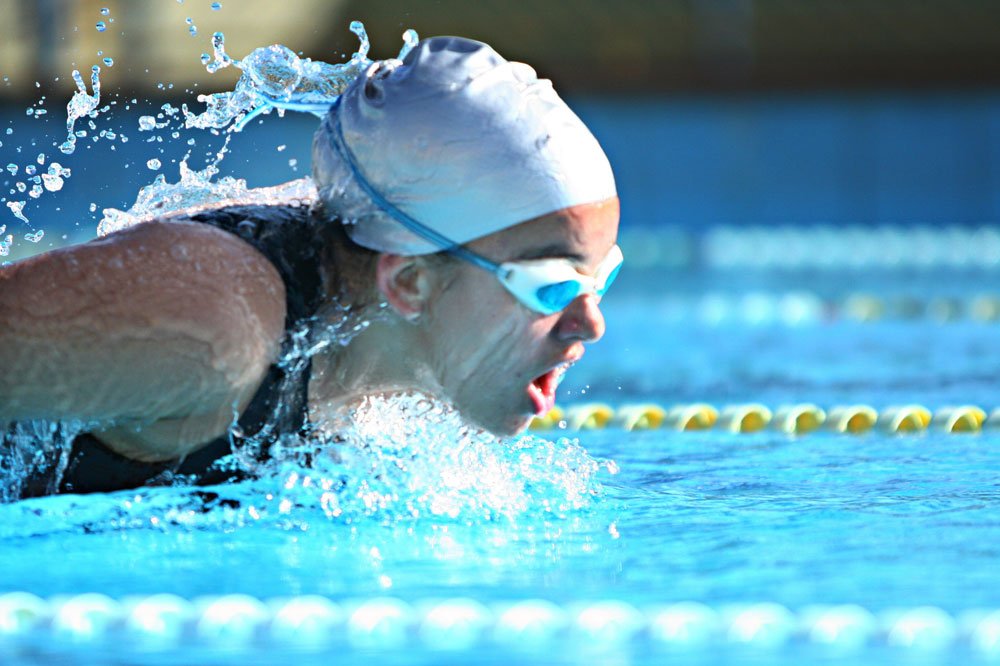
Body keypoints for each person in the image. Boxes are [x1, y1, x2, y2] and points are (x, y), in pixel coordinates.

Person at [0, 36, 621, 498]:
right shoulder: (208, 330)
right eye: (552, 286)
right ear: (408, 282)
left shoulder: (395, 318)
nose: (589, 323)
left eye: (603, 277)